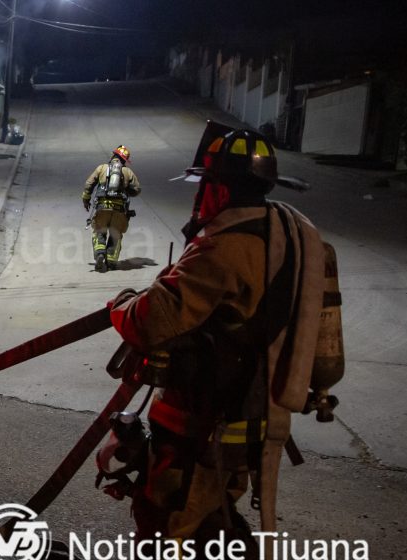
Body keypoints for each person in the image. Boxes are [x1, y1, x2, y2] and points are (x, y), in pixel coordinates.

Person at [105, 125, 326, 556]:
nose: (199, 198)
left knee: (169, 524)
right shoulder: (290, 235)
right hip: (257, 420)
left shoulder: (224, 250)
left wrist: (123, 301)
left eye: (204, 186)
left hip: (201, 425)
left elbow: (147, 322)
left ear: (220, 191)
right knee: (215, 514)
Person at [83, 145, 141, 272]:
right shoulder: (127, 172)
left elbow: (89, 184)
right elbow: (137, 189)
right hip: (119, 210)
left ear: (113, 156)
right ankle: (112, 262)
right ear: (124, 160)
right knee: (116, 235)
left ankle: (100, 254)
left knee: (99, 231)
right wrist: (126, 190)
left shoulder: (101, 168)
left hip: (102, 207)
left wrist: (86, 199)